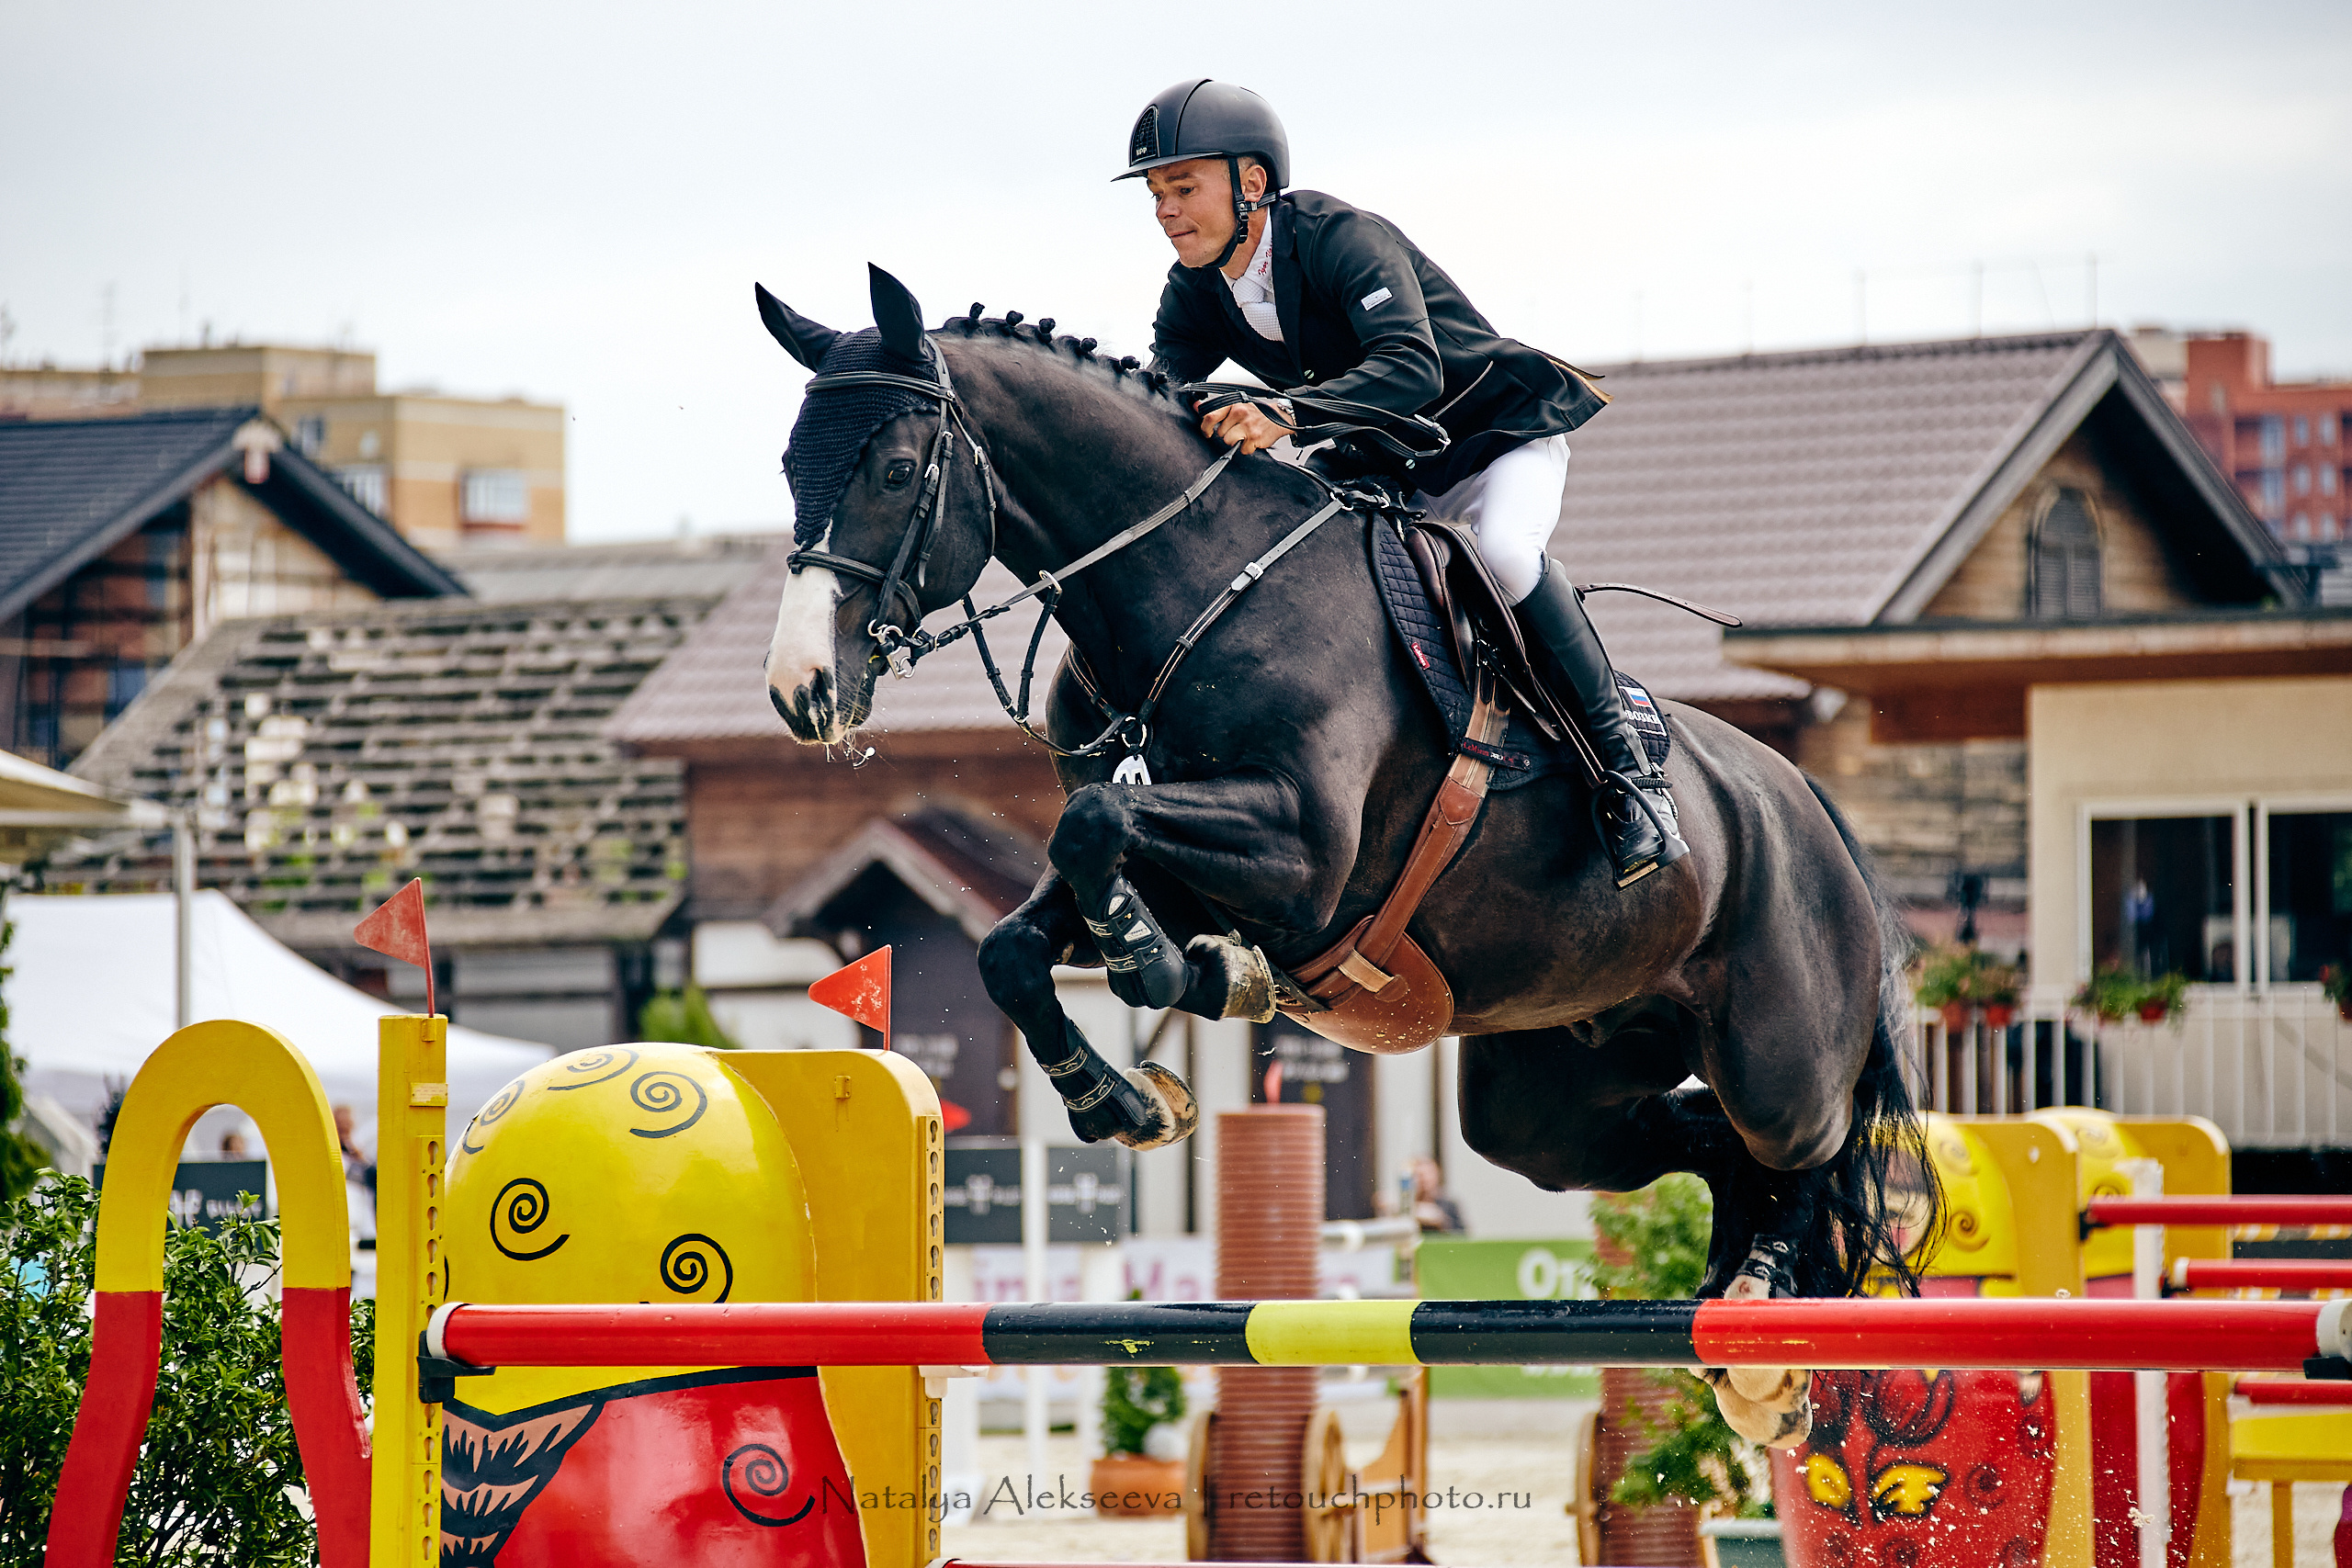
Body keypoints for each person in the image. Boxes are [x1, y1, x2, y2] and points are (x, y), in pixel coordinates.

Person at [1120, 79, 1687, 889]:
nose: (1165, 210)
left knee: (1504, 556)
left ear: (1251, 182)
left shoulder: (1336, 236)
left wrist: (1283, 411)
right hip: (1386, 465)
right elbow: (1161, 397)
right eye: (1155, 194)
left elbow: (1412, 367)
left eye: (1183, 187)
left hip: (1493, 437)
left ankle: (1631, 778)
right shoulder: (1196, 288)